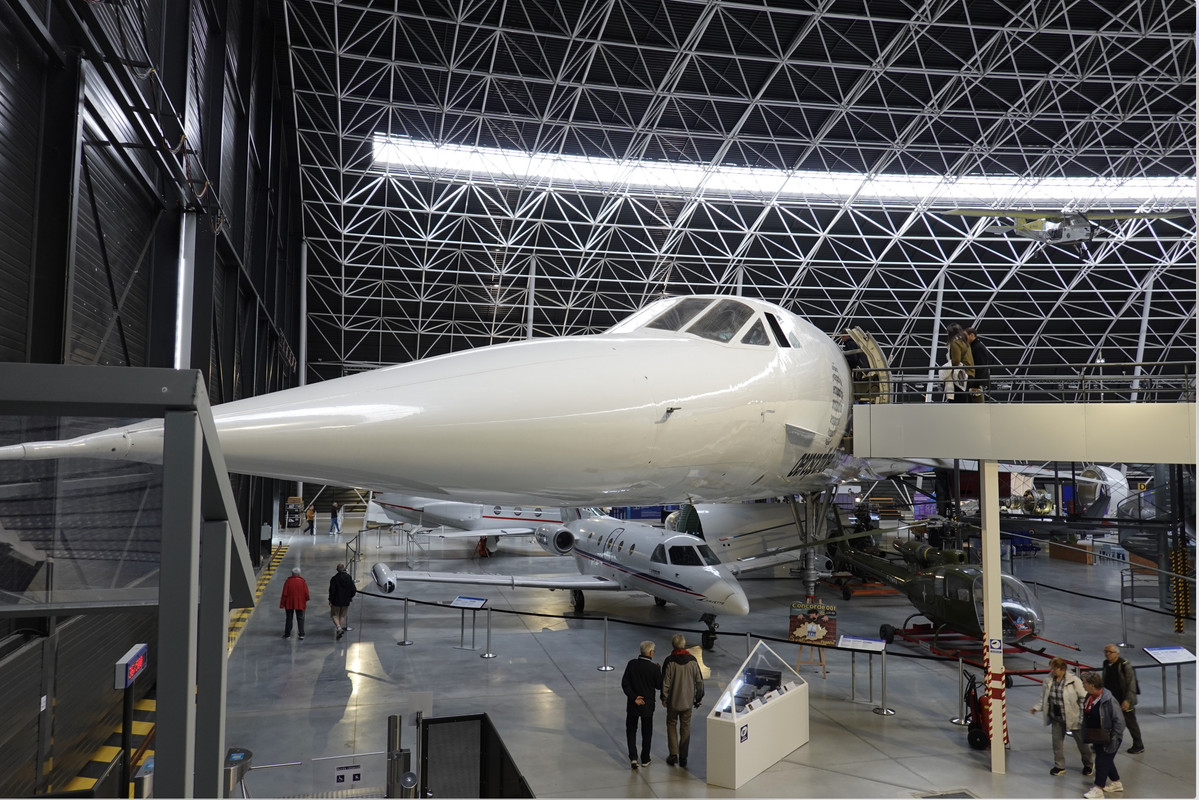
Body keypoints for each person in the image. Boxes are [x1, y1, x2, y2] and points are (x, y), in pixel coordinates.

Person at [1030, 657, 1093, 776]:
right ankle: (1059, 766)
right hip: (1057, 718)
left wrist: (1083, 714)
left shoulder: (1074, 681)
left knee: (1082, 743)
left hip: (1074, 717)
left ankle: (1088, 764)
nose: (1053, 670)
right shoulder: (1048, 680)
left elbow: (1084, 697)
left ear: (1062, 668)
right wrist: (1036, 708)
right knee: (1057, 743)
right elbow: (1044, 698)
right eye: (1052, 668)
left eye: (1055, 668)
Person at [660, 633, 704, 768]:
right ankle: (684, 757)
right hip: (687, 702)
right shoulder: (693, 661)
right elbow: (699, 682)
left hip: (673, 702)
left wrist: (664, 697)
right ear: (684, 645)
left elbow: (665, 683)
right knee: (685, 728)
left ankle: (673, 754)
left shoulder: (669, 661)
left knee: (671, 725)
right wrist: (698, 698)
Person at [1081, 671, 1125, 798]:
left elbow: (1120, 722)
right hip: (1097, 736)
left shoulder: (1109, 700)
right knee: (1106, 760)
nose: (1083, 685)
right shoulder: (1089, 696)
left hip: (1110, 737)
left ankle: (1098, 788)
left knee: (1101, 761)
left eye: (1085, 683)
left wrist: (1114, 738)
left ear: (1092, 684)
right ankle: (1116, 783)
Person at [620, 640, 661, 769]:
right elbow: (659, 686)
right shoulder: (653, 668)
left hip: (633, 704)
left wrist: (634, 698)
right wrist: (658, 671)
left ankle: (633, 757)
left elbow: (625, 684)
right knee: (646, 732)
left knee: (631, 730)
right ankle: (645, 758)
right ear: (651, 652)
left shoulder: (631, 664)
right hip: (647, 705)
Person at [1102, 644, 1144, 754]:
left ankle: (1138, 744)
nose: (1107, 654)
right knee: (1108, 722)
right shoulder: (1106, 664)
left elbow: (1131, 684)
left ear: (1117, 653)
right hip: (1111, 699)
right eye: (1106, 651)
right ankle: (1107, 742)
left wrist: (1128, 701)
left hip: (1124, 700)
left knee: (1130, 722)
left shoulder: (1125, 665)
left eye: (1110, 652)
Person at [945, 323, 974, 403]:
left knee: (958, 399)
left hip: (962, 375)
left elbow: (956, 361)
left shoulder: (955, 343)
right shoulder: (965, 342)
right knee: (965, 398)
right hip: (970, 373)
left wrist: (949, 366)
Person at [328, 563, 357, 639]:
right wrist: (350, 597)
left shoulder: (334, 579)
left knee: (334, 615)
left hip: (336, 601)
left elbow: (332, 591)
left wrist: (330, 600)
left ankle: (339, 628)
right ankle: (339, 630)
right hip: (345, 601)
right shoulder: (349, 578)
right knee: (342, 615)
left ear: (337, 570)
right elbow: (353, 590)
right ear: (343, 569)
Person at [280, 567, 309, 640]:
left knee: (289, 618)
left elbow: (284, 594)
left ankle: (287, 634)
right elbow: (306, 593)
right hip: (299, 602)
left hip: (289, 602)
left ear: (292, 574)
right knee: (300, 618)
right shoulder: (302, 582)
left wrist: (282, 604)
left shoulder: (288, 582)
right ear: (299, 574)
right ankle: (301, 634)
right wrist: (305, 600)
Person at [965, 327, 992, 402]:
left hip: (978, 384)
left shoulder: (978, 348)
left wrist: (976, 384)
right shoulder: (975, 346)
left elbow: (981, 367)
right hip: (978, 382)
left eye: (965, 335)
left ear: (972, 335)